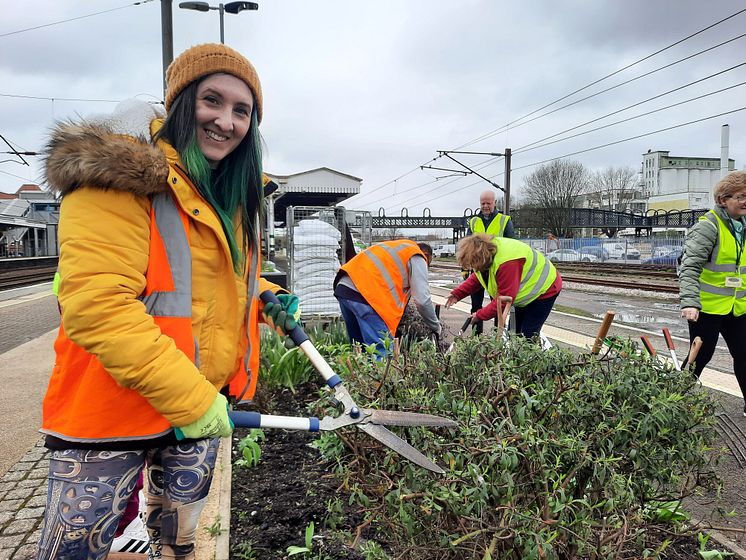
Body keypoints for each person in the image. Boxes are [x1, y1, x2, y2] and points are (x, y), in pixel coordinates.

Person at [36, 43, 299, 560]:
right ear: (180, 103)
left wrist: (264, 297)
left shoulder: (227, 194)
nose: (226, 121)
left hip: (196, 407)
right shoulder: (117, 180)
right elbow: (100, 308)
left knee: (175, 547)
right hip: (110, 413)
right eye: (212, 100)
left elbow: (197, 283)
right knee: (73, 552)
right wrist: (196, 402)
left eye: (242, 110)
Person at [679, 170, 746, 415]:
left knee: (744, 355)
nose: (745, 201)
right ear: (723, 200)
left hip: (737, 307)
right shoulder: (708, 226)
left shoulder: (744, 227)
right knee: (701, 356)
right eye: (740, 196)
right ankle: (673, 400)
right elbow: (689, 266)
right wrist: (689, 302)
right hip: (706, 307)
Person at [333, 240, 441, 356]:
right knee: (382, 350)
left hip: (345, 289)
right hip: (367, 296)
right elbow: (422, 300)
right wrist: (436, 326)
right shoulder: (416, 255)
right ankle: (382, 373)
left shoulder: (397, 248)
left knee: (361, 351)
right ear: (426, 255)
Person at [446, 233, 561, 338]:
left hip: (545, 290)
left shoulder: (507, 263)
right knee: (514, 333)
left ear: (479, 258)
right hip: (525, 293)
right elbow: (477, 278)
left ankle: (533, 359)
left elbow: (504, 300)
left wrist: (480, 315)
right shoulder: (486, 257)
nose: (473, 268)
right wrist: (457, 294)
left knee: (528, 335)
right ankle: (517, 357)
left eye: (472, 264)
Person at [465, 190, 514, 334]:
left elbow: (511, 244)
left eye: (488, 203)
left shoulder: (504, 220)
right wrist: (465, 267)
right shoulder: (474, 221)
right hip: (478, 271)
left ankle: (497, 338)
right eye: (483, 203)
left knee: (498, 305)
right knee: (476, 306)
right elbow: (468, 245)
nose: (485, 206)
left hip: (497, 271)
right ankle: (476, 337)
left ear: (494, 203)